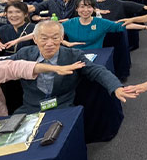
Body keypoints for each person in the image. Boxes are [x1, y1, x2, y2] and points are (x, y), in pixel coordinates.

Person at [9, 20, 138, 111]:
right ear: (35, 39)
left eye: (55, 38)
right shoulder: (24, 54)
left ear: (61, 38)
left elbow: (97, 70)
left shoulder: (72, 55)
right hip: (31, 107)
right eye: (44, 38)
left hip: (62, 106)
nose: (49, 43)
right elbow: (2, 66)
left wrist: (116, 87)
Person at [61, 0, 147, 49]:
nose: (85, 10)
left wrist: (144, 27)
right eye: (82, 7)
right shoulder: (69, 23)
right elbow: (51, 34)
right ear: (77, 9)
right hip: (74, 56)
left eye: (89, 7)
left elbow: (122, 25)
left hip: (96, 55)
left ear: (94, 9)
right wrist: (65, 42)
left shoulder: (100, 22)